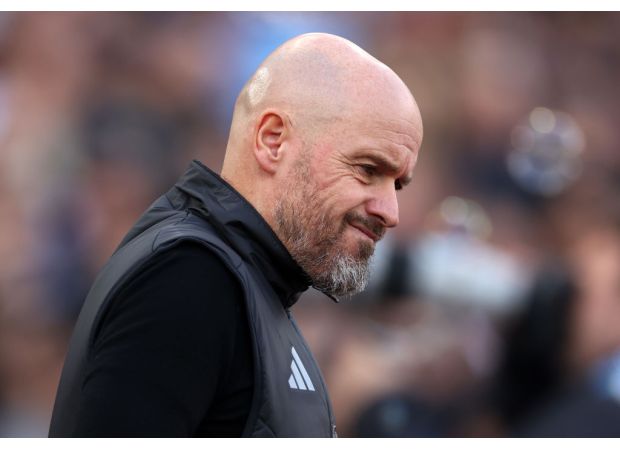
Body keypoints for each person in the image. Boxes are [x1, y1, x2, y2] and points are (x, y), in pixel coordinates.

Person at [48, 32, 423, 437]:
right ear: (272, 140)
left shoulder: (248, 286)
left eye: (397, 185)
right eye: (368, 169)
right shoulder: (191, 277)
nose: (390, 212)